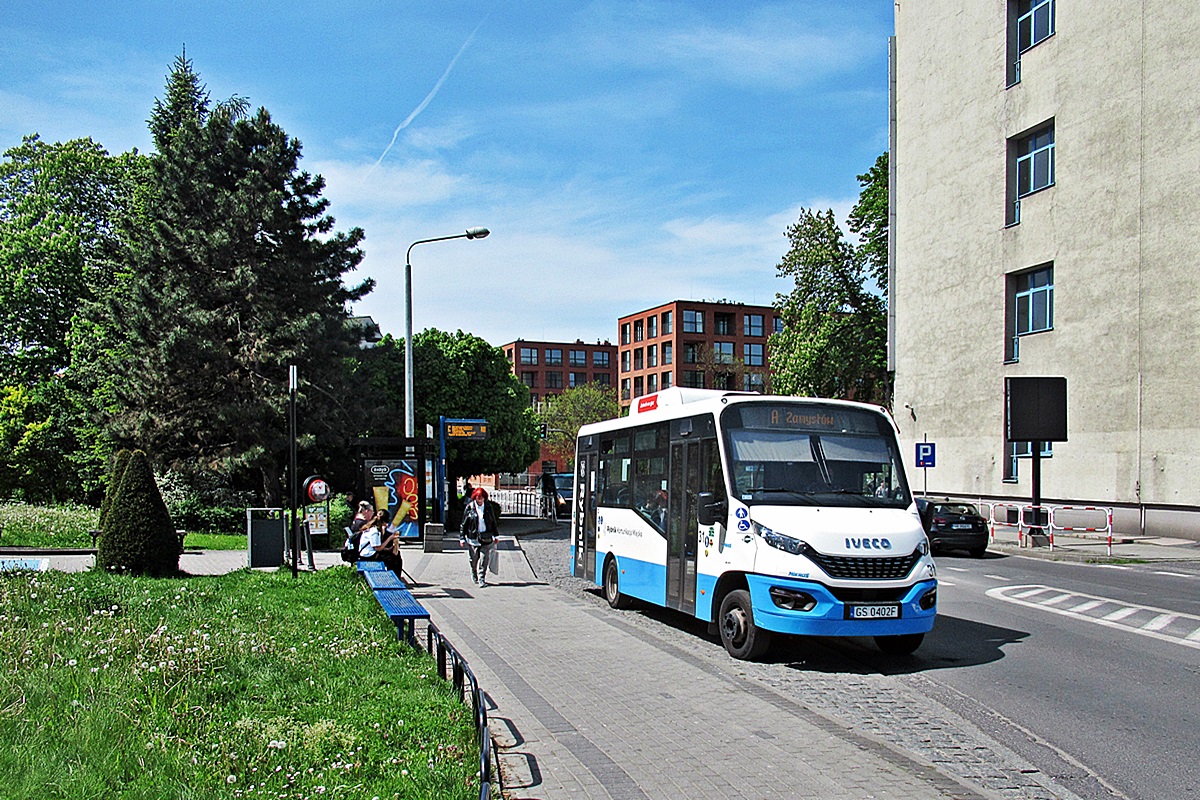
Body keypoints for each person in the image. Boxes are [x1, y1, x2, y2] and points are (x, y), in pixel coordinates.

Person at [459, 487, 499, 588]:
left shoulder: (488, 507)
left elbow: (493, 522)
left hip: (486, 537)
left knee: (484, 558)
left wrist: (496, 535)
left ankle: (482, 578)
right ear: (474, 498)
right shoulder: (470, 507)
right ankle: (474, 572)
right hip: (473, 537)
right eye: (478, 498)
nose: (480, 501)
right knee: (474, 559)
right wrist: (462, 538)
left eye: (481, 498)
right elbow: (463, 524)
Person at [358, 509, 403, 576]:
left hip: (370, 553)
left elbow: (376, 547)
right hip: (368, 556)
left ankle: (394, 576)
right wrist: (390, 538)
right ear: (384, 522)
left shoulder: (372, 528)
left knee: (396, 555)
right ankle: (394, 577)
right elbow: (378, 548)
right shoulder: (374, 531)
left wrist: (387, 549)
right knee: (393, 559)